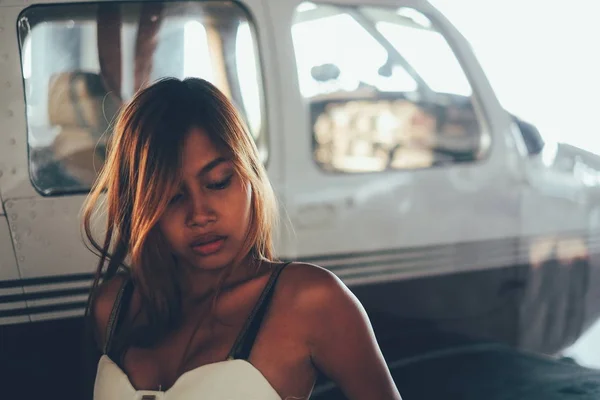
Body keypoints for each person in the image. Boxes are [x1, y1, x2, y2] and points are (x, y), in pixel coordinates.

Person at [83, 77, 402, 400]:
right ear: (140, 203)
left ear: (250, 175)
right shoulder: (112, 308)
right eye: (171, 197)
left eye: (218, 182)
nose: (199, 214)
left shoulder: (308, 301)